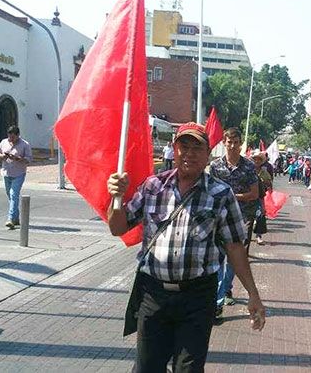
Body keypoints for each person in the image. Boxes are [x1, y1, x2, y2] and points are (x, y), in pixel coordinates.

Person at [106, 122, 265, 372]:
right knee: (147, 368)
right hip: (153, 294)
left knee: (188, 369)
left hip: (197, 297)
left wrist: (253, 294)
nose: (189, 153)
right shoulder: (152, 186)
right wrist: (115, 199)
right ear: (174, 149)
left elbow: (235, 247)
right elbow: (118, 227)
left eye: (196, 148)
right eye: (184, 146)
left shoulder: (221, 194)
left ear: (207, 153)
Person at [209, 127, 260, 318]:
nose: (232, 146)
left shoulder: (248, 167)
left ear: (240, 144)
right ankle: (218, 297)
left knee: (233, 260)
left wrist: (232, 197)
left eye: (236, 142)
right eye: (229, 142)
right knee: (217, 258)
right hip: (219, 219)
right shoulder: (215, 166)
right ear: (224, 143)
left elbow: (254, 194)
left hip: (241, 219)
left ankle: (221, 296)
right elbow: (209, 192)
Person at [0, 125, 32, 229]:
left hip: (19, 173)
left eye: (13, 137)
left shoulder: (25, 144)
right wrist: (2, 156)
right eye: (9, 136)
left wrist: (18, 158)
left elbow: (29, 159)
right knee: (10, 195)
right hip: (6, 173)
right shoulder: (4, 142)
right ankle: (16, 218)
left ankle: (10, 219)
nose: (10, 139)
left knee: (13, 194)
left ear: (18, 135)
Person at [252, 152, 272, 246]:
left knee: (260, 215)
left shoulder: (264, 172)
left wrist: (267, 185)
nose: (257, 161)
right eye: (255, 159)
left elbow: (269, 182)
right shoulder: (248, 170)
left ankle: (258, 236)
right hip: (248, 196)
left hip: (260, 196)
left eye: (259, 159)